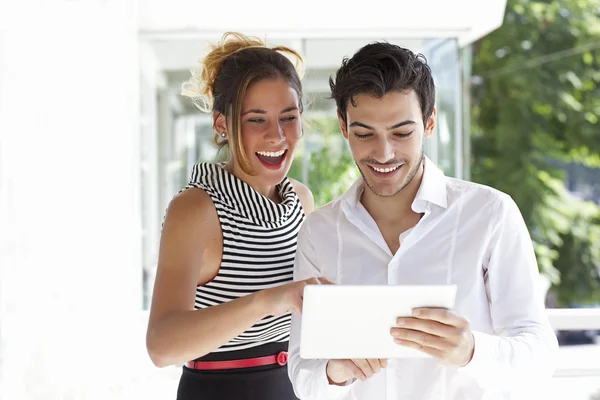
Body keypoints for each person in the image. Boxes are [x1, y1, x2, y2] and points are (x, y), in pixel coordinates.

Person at [287, 42, 558, 399]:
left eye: (402, 133)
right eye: (365, 134)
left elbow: (539, 358)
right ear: (343, 126)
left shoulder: (491, 214)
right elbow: (303, 376)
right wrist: (334, 374)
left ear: (429, 122)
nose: (383, 154)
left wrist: (472, 351)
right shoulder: (319, 232)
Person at [146, 32, 323, 400]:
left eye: (288, 117)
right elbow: (162, 346)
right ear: (221, 125)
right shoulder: (196, 209)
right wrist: (268, 300)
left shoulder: (300, 202)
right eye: (256, 119)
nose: (277, 135)